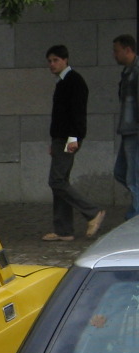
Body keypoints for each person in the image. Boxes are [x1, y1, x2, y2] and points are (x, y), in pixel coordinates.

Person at [42, 45, 104, 242]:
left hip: (67, 138)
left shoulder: (74, 81)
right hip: (60, 138)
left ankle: (92, 212)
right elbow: (60, 115)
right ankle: (64, 230)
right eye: (50, 61)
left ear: (65, 60)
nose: (52, 64)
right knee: (60, 182)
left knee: (57, 181)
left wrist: (73, 138)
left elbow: (77, 113)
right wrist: (55, 140)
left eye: (55, 60)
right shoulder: (63, 82)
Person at [113, 34, 139, 220]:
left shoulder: (136, 71)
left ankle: (135, 217)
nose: (114, 55)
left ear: (127, 50)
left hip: (135, 130)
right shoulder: (127, 71)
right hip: (128, 130)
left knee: (133, 178)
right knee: (121, 173)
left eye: (117, 51)